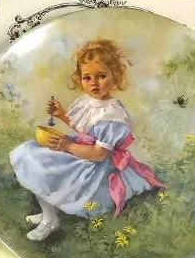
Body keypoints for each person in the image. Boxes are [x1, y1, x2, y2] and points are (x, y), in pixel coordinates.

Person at [10, 38, 165, 241]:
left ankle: (50, 221)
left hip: (94, 165)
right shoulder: (86, 102)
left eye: (101, 76)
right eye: (87, 77)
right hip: (81, 148)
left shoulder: (112, 114)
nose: (94, 83)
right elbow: (84, 128)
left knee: (47, 167)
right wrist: (61, 114)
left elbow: (99, 154)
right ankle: (49, 212)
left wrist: (68, 145)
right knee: (32, 154)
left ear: (115, 77)